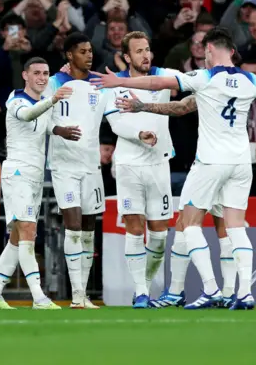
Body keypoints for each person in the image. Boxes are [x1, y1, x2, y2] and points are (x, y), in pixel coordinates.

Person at [92, 26, 256, 310]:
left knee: (188, 223)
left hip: (210, 163)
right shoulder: (250, 79)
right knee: (235, 227)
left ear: (210, 50)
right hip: (241, 164)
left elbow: (157, 84)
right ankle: (244, 293)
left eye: (204, 51)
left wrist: (118, 80)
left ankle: (211, 289)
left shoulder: (204, 77)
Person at [46, 33, 154, 308]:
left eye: (91, 50)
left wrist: (137, 132)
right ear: (70, 55)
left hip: (91, 167)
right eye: (83, 51)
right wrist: (57, 129)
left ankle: (83, 294)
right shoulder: (55, 83)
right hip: (64, 166)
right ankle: (77, 295)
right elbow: (39, 116)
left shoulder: (99, 86)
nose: (89, 55)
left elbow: (115, 122)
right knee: (72, 227)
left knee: (87, 231)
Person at [113, 94, 237, 309]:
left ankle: (197, 290)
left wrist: (142, 106)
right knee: (226, 225)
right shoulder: (243, 84)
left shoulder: (205, 82)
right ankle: (231, 293)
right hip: (237, 159)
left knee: (186, 223)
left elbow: (180, 107)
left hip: (208, 162)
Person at [0, 57, 77, 310]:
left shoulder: (42, 101)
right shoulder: (16, 100)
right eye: (36, 73)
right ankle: (39, 297)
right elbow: (27, 116)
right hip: (18, 174)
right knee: (27, 232)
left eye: (46, 74)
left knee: (16, 238)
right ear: (25, 75)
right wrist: (54, 99)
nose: (42, 78)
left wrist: (60, 131)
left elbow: (43, 124)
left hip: (35, 176)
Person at [104, 31, 179, 309]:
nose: (145, 55)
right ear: (126, 57)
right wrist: (140, 133)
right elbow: (115, 124)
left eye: (147, 49)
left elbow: (187, 81)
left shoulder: (162, 77)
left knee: (159, 236)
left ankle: (143, 286)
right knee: (135, 229)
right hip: (129, 165)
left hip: (159, 163)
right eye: (138, 51)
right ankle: (141, 293)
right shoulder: (115, 86)